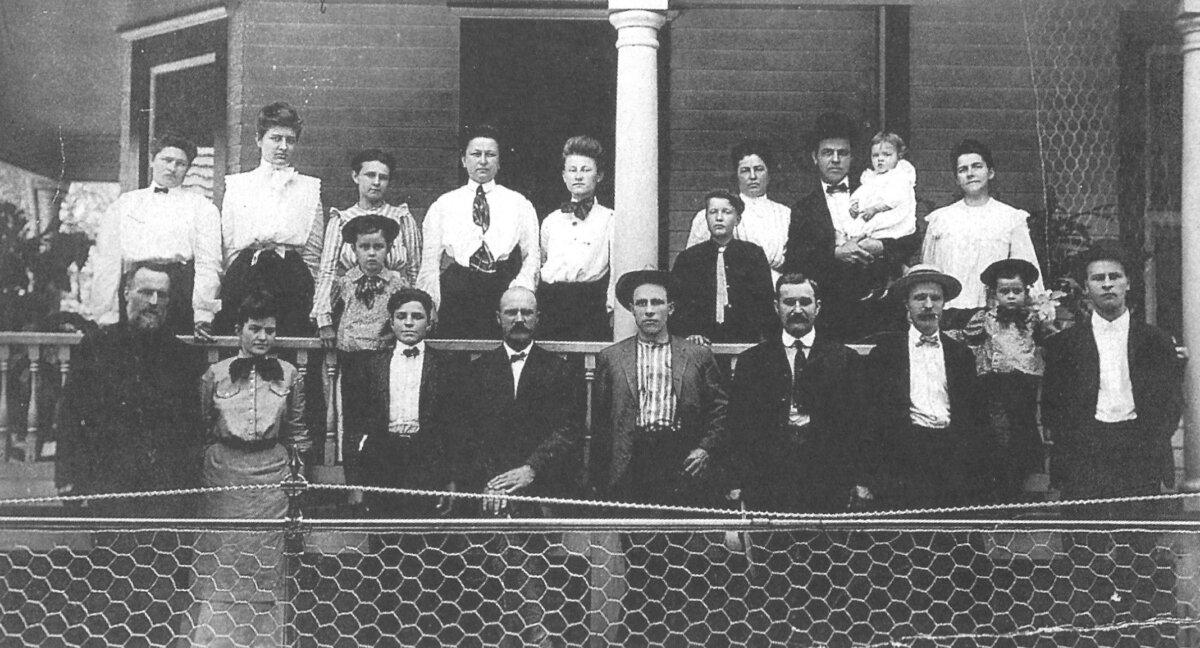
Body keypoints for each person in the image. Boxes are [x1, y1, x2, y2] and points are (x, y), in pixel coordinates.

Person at [1042, 247, 1182, 519]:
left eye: (1114, 276)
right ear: (1086, 287)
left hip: (1138, 449)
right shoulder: (1064, 344)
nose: (1107, 283)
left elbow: (1171, 401)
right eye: (1098, 278)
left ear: (1128, 283)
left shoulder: (1156, 341)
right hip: (1084, 452)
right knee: (1084, 543)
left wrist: (1151, 442)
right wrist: (1072, 446)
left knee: (1138, 542)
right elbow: (1052, 406)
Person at [56, 263, 205, 516]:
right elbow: (70, 415)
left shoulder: (181, 357)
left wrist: (188, 487)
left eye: (162, 295)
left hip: (165, 492)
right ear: (126, 292)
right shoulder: (96, 347)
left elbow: (191, 429)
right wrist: (68, 478)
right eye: (145, 292)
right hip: (110, 487)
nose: (154, 302)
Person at [727, 273, 867, 513]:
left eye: (805, 302)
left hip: (827, 476)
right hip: (769, 478)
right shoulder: (753, 361)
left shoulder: (844, 359)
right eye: (789, 302)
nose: (797, 309)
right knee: (773, 548)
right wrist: (735, 480)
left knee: (824, 549)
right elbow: (739, 424)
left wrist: (861, 479)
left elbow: (859, 424)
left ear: (818, 307)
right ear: (776, 307)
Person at [592, 270, 727, 509]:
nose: (650, 310)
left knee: (678, 538)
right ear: (632, 310)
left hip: (680, 455)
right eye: (642, 304)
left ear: (670, 308)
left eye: (657, 302)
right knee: (636, 539)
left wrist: (705, 448)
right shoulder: (611, 358)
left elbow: (720, 410)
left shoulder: (697, 355)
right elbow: (601, 423)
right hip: (633, 458)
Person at [783, 112, 920, 342]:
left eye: (842, 153)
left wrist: (880, 246)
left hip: (880, 312)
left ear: (852, 157)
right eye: (828, 153)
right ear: (815, 157)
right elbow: (796, 260)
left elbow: (910, 237)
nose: (835, 159)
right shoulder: (803, 208)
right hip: (830, 316)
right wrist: (836, 253)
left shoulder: (879, 187)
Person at [864, 265, 988, 509]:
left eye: (936, 298)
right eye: (920, 298)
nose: (929, 305)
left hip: (951, 457)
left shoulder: (960, 355)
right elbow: (871, 416)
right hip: (905, 458)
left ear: (944, 304)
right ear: (906, 305)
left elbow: (974, 417)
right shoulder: (886, 353)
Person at [85, 133, 221, 337]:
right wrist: (106, 314)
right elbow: (107, 261)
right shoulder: (125, 204)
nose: (172, 168)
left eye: (180, 163)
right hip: (135, 285)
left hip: (179, 291)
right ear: (152, 161)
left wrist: (203, 314)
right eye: (166, 160)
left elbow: (209, 264)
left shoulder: (202, 208)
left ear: (187, 169)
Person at [342, 288, 462, 517]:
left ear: (429, 323)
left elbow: (454, 429)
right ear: (391, 321)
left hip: (427, 462)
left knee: (425, 541)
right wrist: (355, 483)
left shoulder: (446, 366)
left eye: (417, 317)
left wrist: (451, 479)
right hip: (382, 461)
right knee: (383, 540)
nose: (409, 323)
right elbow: (353, 427)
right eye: (401, 316)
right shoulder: (370, 366)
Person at [461, 287, 580, 517]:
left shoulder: (561, 370)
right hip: (488, 486)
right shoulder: (476, 371)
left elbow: (568, 429)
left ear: (537, 318)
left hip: (542, 483)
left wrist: (531, 469)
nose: (519, 319)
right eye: (510, 312)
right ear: (498, 318)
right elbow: (468, 432)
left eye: (526, 312)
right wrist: (494, 483)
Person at [213, 101, 324, 336]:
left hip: (291, 277)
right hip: (246, 272)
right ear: (259, 139)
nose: (283, 146)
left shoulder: (309, 188)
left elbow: (313, 254)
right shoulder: (238, 185)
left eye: (290, 140)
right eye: (276, 138)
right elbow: (229, 244)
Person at [417, 125, 539, 339]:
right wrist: (431, 306)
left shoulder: (519, 203)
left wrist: (519, 292)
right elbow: (429, 263)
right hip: (457, 289)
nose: (483, 161)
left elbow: (532, 256)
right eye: (476, 154)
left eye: (490, 155)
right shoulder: (443, 204)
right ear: (464, 160)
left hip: (502, 287)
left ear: (499, 162)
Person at [198, 291, 310, 519]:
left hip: (273, 473)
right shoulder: (216, 374)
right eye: (255, 329)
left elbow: (297, 432)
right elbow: (202, 426)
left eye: (270, 331)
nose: (262, 337)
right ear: (239, 330)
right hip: (223, 473)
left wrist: (298, 475)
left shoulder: (290, 374)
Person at [921, 138, 1044, 329]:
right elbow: (929, 274)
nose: (970, 173)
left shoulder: (1011, 218)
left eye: (977, 166)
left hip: (996, 319)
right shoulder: (941, 220)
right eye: (963, 170)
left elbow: (1028, 273)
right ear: (956, 179)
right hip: (947, 318)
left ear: (991, 172)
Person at [962, 258, 1055, 504]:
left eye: (1017, 291)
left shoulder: (1033, 320)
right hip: (994, 385)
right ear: (994, 294)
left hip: (1024, 385)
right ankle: (999, 491)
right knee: (997, 435)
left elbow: (1049, 342)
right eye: (1005, 292)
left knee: (1023, 433)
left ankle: (1023, 489)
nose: (1011, 297)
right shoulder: (984, 319)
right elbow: (967, 342)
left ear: (1026, 293)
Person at [312, 148, 422, 345]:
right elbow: (327, 272)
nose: (377, 182)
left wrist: (416, 313)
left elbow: (415, 271)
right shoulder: (342, 220)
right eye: (370, 175)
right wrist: (323, 318)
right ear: (356, 176)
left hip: (393, 309)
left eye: (383, 177)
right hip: (352, 306)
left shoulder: (402, 217)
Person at [671, 190, 775, 344]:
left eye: (726, 212)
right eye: (713, 212)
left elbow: (765, 303)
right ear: (706, 218)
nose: (719, 218)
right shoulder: (688, 259)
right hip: (699, 343)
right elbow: (678, 304)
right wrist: (690, 333)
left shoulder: (753, 255)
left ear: (737, 219)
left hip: (745, 341)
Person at [538, 135, 615, 341]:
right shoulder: (551, 221)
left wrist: (612, 309)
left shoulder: (610, 219)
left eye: (586, 170)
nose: (578, 176)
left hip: (589, 305)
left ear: (599, 175)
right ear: (564, 176)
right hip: (552, 304)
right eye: (572, 170)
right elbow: (543, 260)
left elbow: (616, 269)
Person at [685, 140, 791, 282]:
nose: (753, 176)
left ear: (769, 173)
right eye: (745, 170)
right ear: (736, 175)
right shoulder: (716, 214)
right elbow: (694, 264)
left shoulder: (785, 215)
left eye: (759, 169)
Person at [844, 131, 918, 300]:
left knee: (883, 254)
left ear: (899, 156)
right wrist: (855, 204)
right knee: (866, 253)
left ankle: (887, 281)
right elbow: (861, 193)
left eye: (887, 155)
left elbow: (895, 199)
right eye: (875, 155)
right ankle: (872, 284)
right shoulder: (872, 177)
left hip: (892, 221)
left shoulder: (899, 177)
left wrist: (875, 209)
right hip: (874, 223)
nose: (880, 159)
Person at [321, 214, 408, 352]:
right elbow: (324, 308)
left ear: (389, 248)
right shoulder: (343, 283)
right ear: (354, 249)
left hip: (383, 355)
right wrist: (325, 325)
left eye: (378, 247)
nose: (371, 253)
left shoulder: (398, 286)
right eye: (364, 247)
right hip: (349, 355)